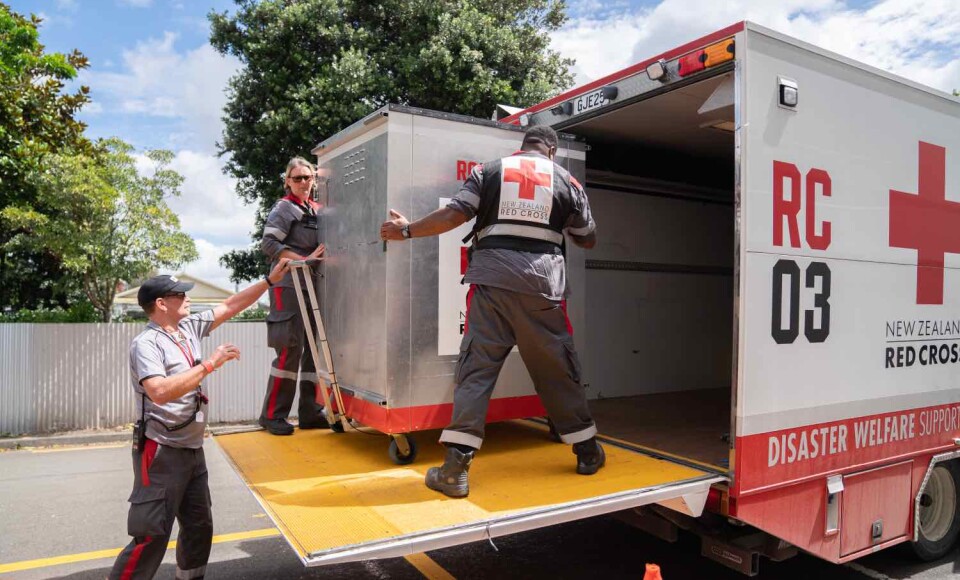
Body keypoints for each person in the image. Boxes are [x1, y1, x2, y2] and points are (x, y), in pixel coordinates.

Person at [380, 125, 603, 498]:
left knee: (477, 368)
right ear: (551, 150)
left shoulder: (489, 171)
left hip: (492, 283)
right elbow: (588, 237)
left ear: (523, 146)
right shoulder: (567, 181)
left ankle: (455, 471)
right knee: (556, 367)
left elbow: (453, 215)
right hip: (542, 287)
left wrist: (405, 232)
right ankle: (587, 452)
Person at [109, 260, 291, 580]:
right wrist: (210, 364)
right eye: (180, 294)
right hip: (161, 449)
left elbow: (230, 305)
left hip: (192, 448)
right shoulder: (146, 344)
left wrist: (269, 280)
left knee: (199, 527)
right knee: (152, 533)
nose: (188, 298)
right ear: (161, 304)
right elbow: (159, 391)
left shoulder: (187, 328)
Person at [259, 157, 329, 436]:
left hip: (311, 286)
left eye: (308, 177)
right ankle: (272, 416)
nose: (303, 182)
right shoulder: (285, 208)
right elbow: (269, 243)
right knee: (289, 351)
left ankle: (310, 413)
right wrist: (303, 259)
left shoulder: (315, 209)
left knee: (313, 351)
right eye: (297, 178)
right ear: (287, 181)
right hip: (288, 286)